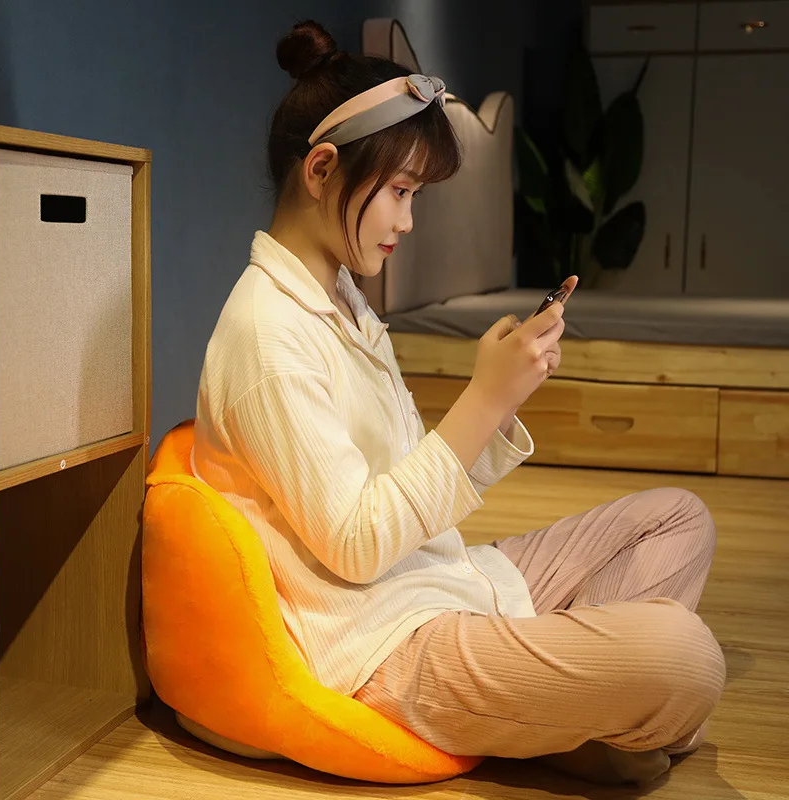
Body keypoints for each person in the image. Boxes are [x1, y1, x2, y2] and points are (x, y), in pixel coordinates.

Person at [191, 20, 726, 785]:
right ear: (321, 169)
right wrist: (482, 396)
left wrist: (502, 402)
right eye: (400, 192)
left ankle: (562, 711)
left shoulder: (341, 298)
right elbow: (357, 545)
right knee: (686, 656)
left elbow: (414, 491)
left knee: (679, 518)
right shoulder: (267, 336)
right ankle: (571, 707)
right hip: (390, 641)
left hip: (446, 578)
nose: (408, 221)